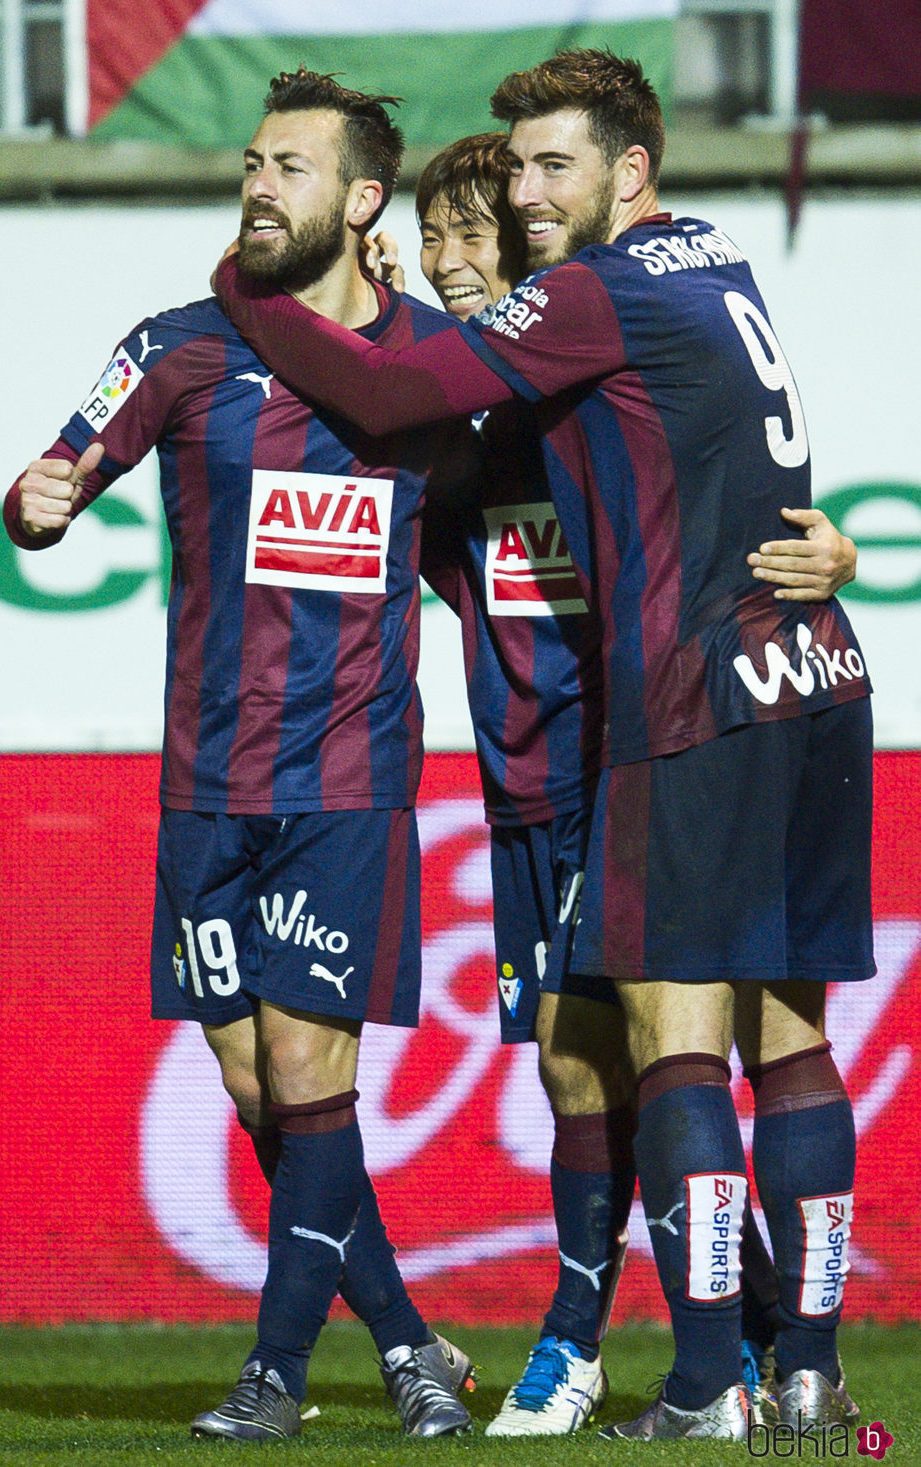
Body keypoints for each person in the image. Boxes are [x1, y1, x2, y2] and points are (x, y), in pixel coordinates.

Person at [212, 50, 874, 1442]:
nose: (523, 195)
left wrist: (250, 295)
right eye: (514, 171)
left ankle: (702, 1383)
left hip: (690, 691)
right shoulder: (719, 262)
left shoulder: (590, 291)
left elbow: (396, 403)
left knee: (675, 1044)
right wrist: (839, 542)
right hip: (811, 668)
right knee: (792, 1038)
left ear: (629, 172)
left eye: (550, 167)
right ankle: (805, 1366)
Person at [2, 68, 478, 1443]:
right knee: (265, 1086)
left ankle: (273, 1376)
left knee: (311, 1074)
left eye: (291, 166)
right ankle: (407, 1345)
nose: (260, 184)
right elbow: (61, 468)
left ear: (363, 199)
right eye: (254, 162)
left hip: (349, 770)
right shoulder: (177, 344)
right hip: (207, 777)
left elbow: (514, 526)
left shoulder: (434, 365)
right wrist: (40, 503)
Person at [397, 131, 856, 1438]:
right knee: (601, 1064)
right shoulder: (472, 439)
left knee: (635, 1056)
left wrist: (843, 554)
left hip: (649, 761)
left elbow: (740, 512)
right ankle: (766, 1348)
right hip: (529, 787)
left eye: (472, 233)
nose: (452, 262)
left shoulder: (596, 381)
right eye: (433, 244)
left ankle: (604, 1343)